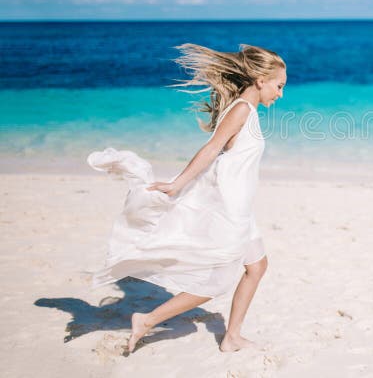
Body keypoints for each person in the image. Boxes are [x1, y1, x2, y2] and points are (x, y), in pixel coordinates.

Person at [86, 43, 286, 354]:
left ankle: (231, 336)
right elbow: (210, 149)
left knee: (257, 267)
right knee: (217, 281)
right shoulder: (242, 111)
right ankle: (148, 319)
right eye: (279, 85)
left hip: (241, 209)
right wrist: (177, 184)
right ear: (260, 79)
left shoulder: (247, 110)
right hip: (229, 210)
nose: (280, 93)